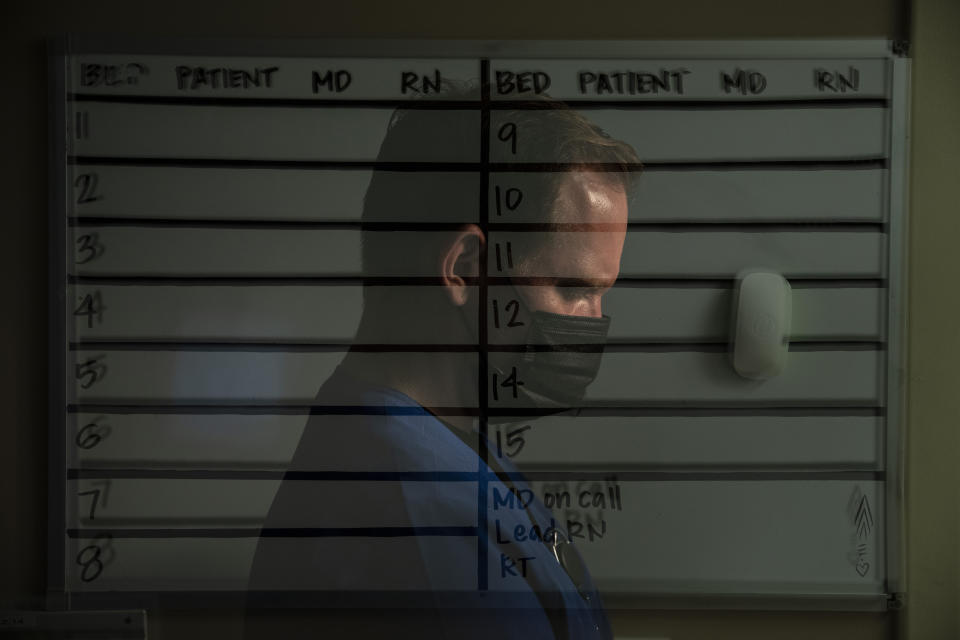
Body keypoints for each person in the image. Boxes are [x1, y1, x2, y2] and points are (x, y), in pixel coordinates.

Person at [243, 88, 641, 639]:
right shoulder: (416, 527)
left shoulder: (442, 445)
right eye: (573, 288)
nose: (593, 320)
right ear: (466, 268)